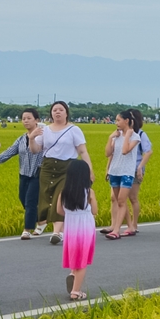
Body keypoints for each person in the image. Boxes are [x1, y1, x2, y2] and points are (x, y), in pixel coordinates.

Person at [32, 101, 93, 246]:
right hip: (47, 167)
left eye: (61, 110)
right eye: (54, 110)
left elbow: (82, 151)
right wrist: (31, 138)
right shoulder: (44, 130)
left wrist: (89, 170)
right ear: (51, 113)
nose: (57, 112)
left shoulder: (74, 130)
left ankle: (56, 232)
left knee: (61, 197)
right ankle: (63, 231)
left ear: (66, 113)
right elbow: (35, 150)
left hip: (67, 168)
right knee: (47, 197)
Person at [0, 107, 44, 239]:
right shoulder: (20, 139)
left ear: (37, 120)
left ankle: (27, 230)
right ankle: (42, 221)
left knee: (30, 201)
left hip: (37, 174)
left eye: (29, 118)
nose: (25, 121)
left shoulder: (43, 137)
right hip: (24, 174)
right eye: (23, 119)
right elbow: (8, 152)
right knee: (23, 199)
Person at [57, 159, 97, 301]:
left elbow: (59, 211)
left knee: (75, 255)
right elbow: (95, 211)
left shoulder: (63, 193)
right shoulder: (89, 192)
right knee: (83, 261)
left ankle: (73, 274)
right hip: (85, 228)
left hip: (71, 229)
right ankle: (75, 291)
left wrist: (71, 214)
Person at [102, 110, 140, 241]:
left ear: (127, 121)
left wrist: (127, 135)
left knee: (122, 200)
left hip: (127, 172)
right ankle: (129, 226)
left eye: (118, 120)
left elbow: (125, 151)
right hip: (115, 171)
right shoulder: (116, 136)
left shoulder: (135, 137)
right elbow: (108, 153)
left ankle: (116, 230)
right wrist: (110, 138)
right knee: (119, 200)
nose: (116, 123)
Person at [125, 109, 153, 235]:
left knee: (132, 197)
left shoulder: (141, 134)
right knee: (120, 198)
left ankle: (134, 224)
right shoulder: (122, 134)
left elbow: (148, 151)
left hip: (135, 168)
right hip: (123, 169)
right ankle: (127, 224)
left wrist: (140, 167)